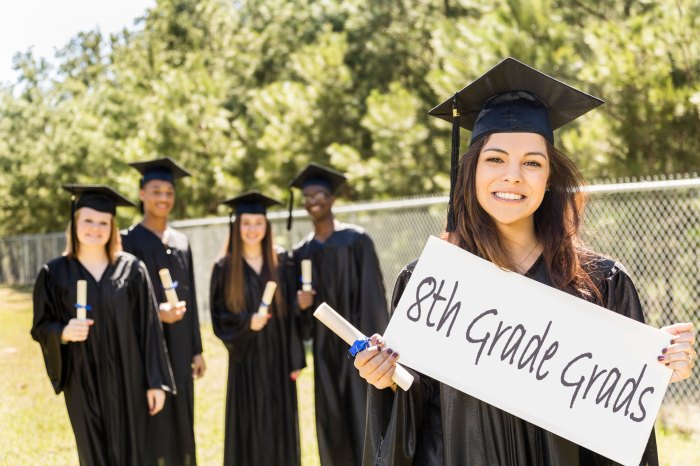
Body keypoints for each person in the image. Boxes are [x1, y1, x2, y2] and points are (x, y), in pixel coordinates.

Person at [352, 58, 698, 465]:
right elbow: (415, 413)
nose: (513, 175)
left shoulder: (600, 283)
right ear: (472, 172)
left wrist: (659, 369)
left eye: (532, 162)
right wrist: (386, 379)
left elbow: (620, 422)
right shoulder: (432, 283)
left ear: (550, 176)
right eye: (495, 159)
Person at [31, 184, 175, 466]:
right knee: (93, 452)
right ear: (74, 223)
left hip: (129, 379)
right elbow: (40, 326)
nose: (95, 228)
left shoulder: (132, 269)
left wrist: (155, 382)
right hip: (83, 381)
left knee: (134, 452)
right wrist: (62, 332)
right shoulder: (55, 273)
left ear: (112, 226)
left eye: (103, 222)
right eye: (88, 220)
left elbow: (149, 329)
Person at [288, 162, 389, 466]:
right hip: (322, 349)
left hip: (358, 343)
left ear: (331, 199)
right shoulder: (301, 252)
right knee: (330, 417)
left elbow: (373, 297)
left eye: (318, 194)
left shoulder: (357, 241)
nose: (312, 201)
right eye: (306, 197)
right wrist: (301, 306)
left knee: (362, 414)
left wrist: (373, 343)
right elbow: (302, 323)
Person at [210, 190, 306, 466]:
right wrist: (245, 323)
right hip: (246, 360)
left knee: (280, 424)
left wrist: (294, 358)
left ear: (267, 226)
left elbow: (289, 317)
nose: (252, 229)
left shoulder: (282, 263)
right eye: (246, 223)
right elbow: (218, 317)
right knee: (248, 424)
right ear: (236, 226)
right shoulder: (225, 267)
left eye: (258, 223)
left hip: (278, 359)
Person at [121, 157, 204, 466]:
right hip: (145, 346)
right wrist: (157, 312)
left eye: (169, 192)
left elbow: (191, 298)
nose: (163, 198)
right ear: (142, 193)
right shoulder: (127, 241)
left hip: (181, 345)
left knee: (183, 416)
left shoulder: (181, 241)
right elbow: (123, 300)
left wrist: (196, 349)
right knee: (153, 418)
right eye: (156, 190)